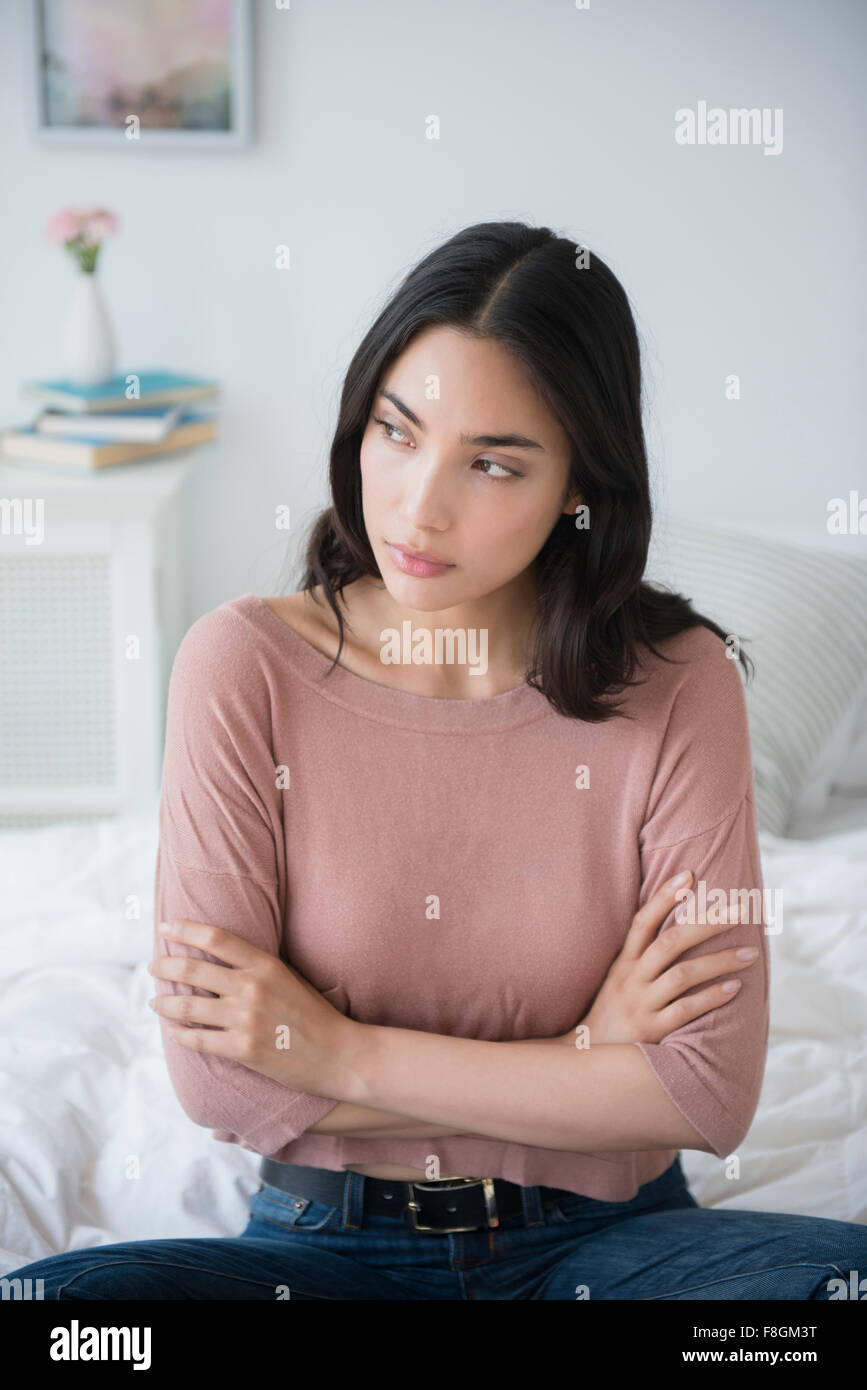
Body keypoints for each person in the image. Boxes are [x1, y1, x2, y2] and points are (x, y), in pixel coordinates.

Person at [5, 221, 866, 1300]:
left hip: (612, 1247)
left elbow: (701, 1093)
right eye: (397, 432)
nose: (419, 505)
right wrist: (591, 1060)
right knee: (53, 1315)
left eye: (493, 462)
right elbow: (223, 1082)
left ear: (578, 485)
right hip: (321, 1252)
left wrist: (334, 1055)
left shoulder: (679, 680)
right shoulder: (243, 667)